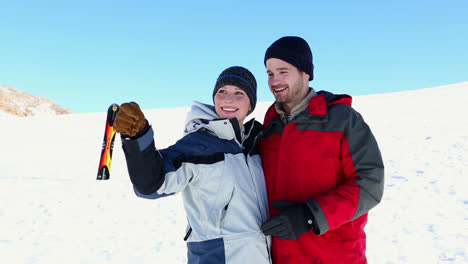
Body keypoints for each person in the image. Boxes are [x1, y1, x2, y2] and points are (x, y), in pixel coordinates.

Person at [113, 66, 271, 264]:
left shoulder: (255, 148)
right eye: (222, 92)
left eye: (239, 93)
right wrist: (138, 138)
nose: (228, 99)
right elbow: (151, 184)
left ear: (250, 105)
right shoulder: (200, 144)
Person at [258, 36, 384, 264]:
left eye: (283, 71)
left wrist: (310, 217)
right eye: (269, 73)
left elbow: (370, 184)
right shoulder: (267, 130)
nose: (274, 81)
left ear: (305, 73)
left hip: (334, 257)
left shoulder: (342, 120)